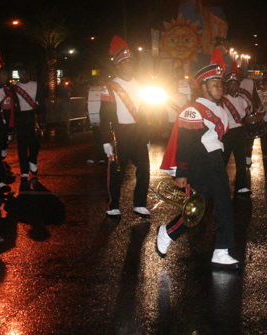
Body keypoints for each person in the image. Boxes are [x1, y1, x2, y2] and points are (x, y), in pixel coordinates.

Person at [156, 63, 239, 268]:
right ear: (203, 86)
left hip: (215, 162)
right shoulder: (193, 110)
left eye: (221, 83)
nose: (221, 87)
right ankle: (167, 233)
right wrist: (182, 172)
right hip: (199, 163)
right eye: (215, 83)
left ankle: (221, 250)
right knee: (197, 209)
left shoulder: (220, 108)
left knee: (223, 206)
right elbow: (185, 144)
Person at [99, 36, 151, 218]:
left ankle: (140, 204)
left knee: (144, 169)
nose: (129, 65)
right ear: (119, 65)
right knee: (116, 172)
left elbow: (145, 113)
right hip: (119, 133)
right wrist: (106, 140)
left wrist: (147, 137)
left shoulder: (141, 85)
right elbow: (104, 114)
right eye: (125, 62)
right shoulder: (111, 86)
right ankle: (113, 205)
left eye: (131, 62)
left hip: (138, 132)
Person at [221, 70, 252, 194]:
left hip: (240, 132)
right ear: (227, 86)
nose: (234, 86)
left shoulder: (243, 100)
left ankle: (241, 186)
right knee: (223, 160)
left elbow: (246, 116)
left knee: (241, 160)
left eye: (236, 84)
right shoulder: (222, 100)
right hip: (227, 133)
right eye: (231, 84)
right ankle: (219, 185)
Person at [12, 67, 44, 181]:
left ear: (28, 74)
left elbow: (41, 102)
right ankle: (24, 171)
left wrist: (41, 118)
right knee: (22, 145)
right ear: (19, 75)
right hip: (19, 116)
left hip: (32, 115)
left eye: (26, 73)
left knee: (36, 142)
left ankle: (32, 160)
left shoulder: (36, 85)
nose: (24, 75)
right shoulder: (14, 88)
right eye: (22, 73)